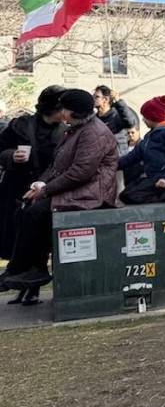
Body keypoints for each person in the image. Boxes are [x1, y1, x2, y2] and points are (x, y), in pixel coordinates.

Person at [0, 89, 118, 293]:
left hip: (91, 192)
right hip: (78, 187)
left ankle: (30, 268)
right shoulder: (75, 129)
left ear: (74, 111)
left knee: (37, 212)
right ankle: (23, 268)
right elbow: (57, 164)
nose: (62, 113)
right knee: (26, 208)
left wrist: (46, 190)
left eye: (64, 108)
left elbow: (81, 172)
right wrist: (39, 183)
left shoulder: (93, 133)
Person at [0, 86, 67, 306]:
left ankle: (33, 286)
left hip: (46, 191)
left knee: (39, 238)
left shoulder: (65, 131)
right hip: (17, 189)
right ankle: (19, 283)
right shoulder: (19, 125)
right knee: (17, 237)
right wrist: (11, 156)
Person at [117, 96, 165, 205]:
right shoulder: (150, 135)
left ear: (153, 117)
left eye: (145, 117)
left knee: (131, 196)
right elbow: (134, 156)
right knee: (126, 194)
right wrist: (113, 164)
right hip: (152, 178)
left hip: (163, 180)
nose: (143, 120)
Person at [93, 85, 138, 156]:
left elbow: (130, 122)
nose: (93, 99)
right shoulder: (95, 119)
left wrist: (118, 101)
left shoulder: (116, 115)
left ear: (106, 100)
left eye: (97, 97)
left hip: (117, 159)